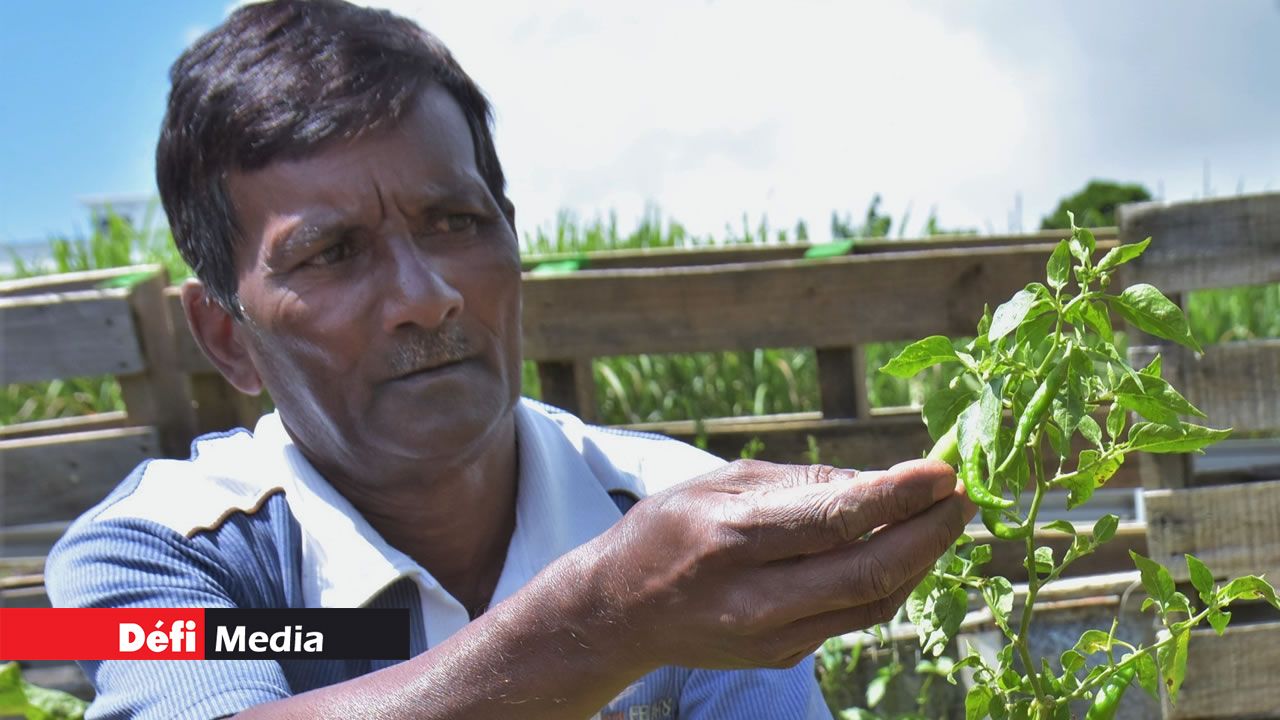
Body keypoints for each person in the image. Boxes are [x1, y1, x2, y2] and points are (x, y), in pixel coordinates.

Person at [46, 1, 976, 718]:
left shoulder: (674, 510)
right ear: (226, 337)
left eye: (455, 222)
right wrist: (607, 621)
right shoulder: (147, 551)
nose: (425, 297)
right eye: (330, 253)